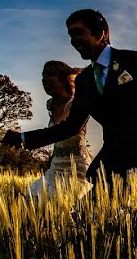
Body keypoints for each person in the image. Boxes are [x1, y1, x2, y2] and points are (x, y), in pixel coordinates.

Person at [3, 9, 137, 190]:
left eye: (78, 33)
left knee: (95, 213)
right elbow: (71, 126)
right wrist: (23, 138)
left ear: (101, 33)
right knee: (99, 217)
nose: (73, 41)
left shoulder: (133, 61)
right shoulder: (85, 80)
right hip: (111, 156)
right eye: (70, 35)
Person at [26, 61, 92, 199]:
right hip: (55, 168)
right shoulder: (51, 105)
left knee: (65, 202)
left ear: (62, 79)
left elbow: (67, 130)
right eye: (43, 76)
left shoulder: (76, 104)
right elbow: (55, 139)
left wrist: (24, 138)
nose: (45, 80)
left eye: (50, 75)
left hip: (76, 169)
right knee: (33, 197)